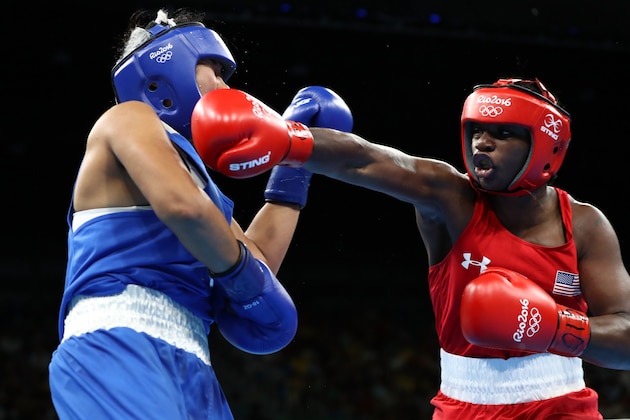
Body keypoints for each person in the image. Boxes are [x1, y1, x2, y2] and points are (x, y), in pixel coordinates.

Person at [192, 79, 630, 418]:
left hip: (562, 406)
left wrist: (556, 328)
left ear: (545, 149)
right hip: (464, 407)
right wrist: (289, 141)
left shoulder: (585, 225)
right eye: (476, 130)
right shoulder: (451, 199)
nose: (482, 142)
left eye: (503, 133)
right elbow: (369, 159)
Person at [47, 8, 323, 419]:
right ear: (167, 69)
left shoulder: (197, 184)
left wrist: (293, 167)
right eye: (216, 70)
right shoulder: (128, 118)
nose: (226, 86)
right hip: (118, 340)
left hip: (194, 361)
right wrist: (242, 273)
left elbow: (254, 265)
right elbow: (189, 215)